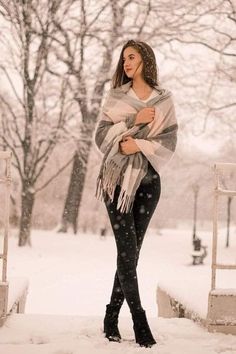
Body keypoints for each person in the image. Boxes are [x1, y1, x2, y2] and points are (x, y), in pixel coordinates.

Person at [94, 39, 178, 348]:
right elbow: (101, 137)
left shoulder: (164, 100)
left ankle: (111, 315)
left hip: (148, 183)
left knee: (131, 255)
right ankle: (139, 320)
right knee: (127, 253)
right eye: (124, 59)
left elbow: (169, 142)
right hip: (116, 179)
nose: (126, 63)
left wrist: (138, 144)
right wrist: (133, 121)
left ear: (145, 60)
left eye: (132, 57)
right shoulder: (117, 97)